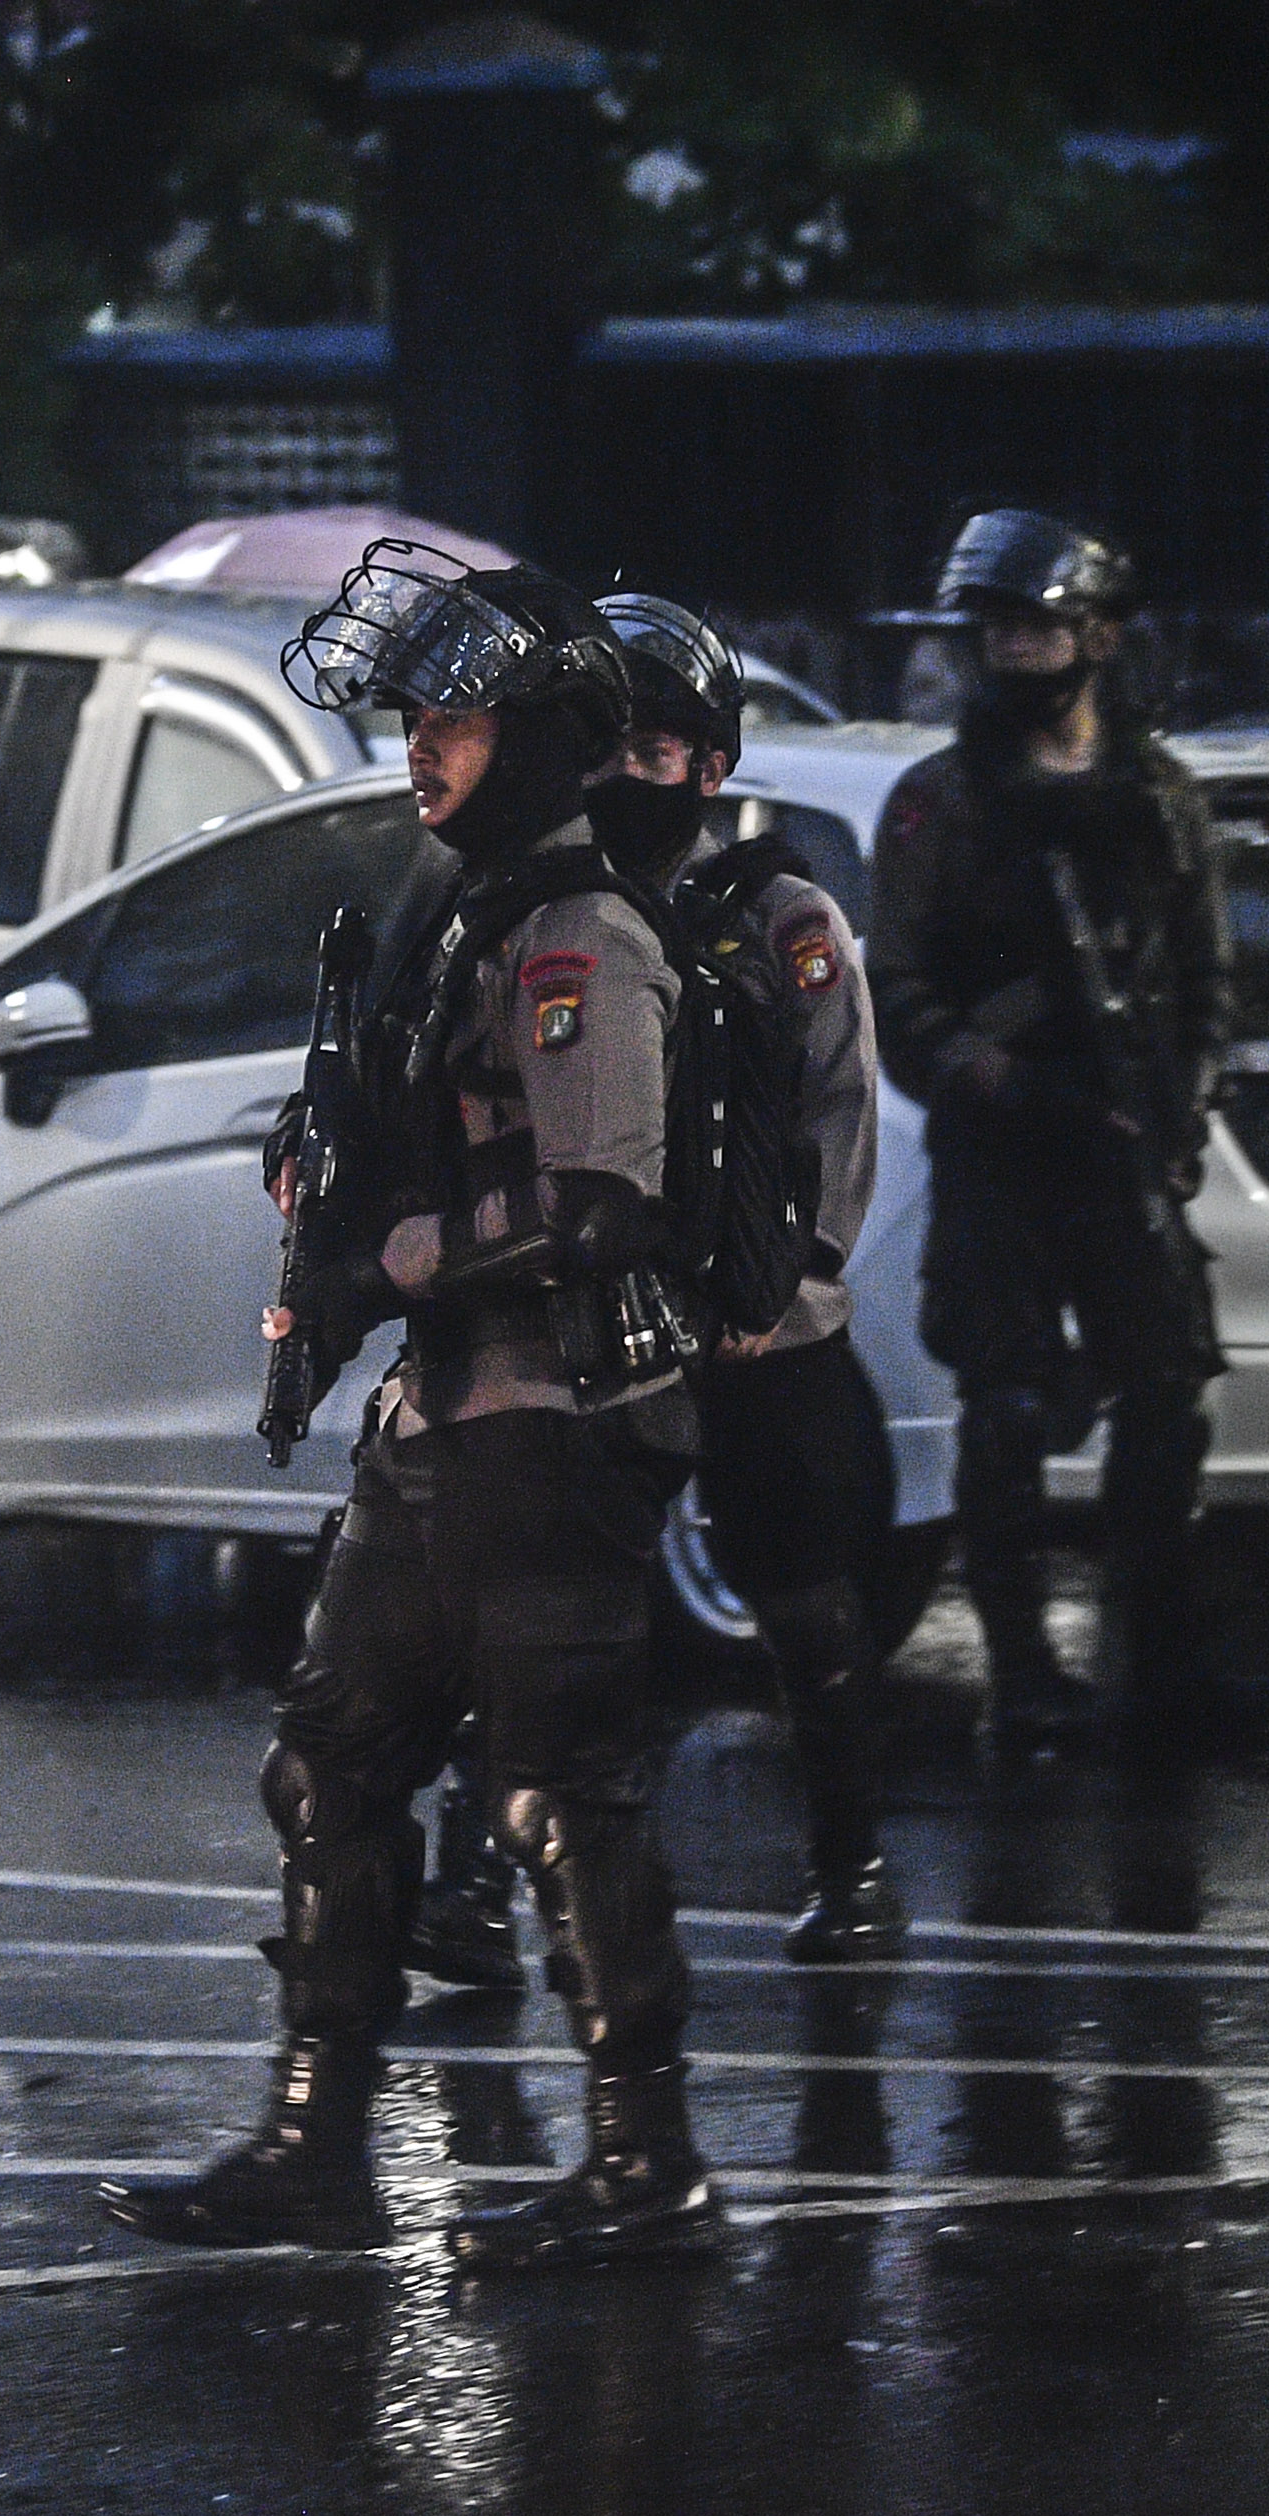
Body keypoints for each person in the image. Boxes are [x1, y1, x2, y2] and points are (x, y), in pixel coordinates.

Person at [99, 546, 723, 2271]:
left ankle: (646, 2160)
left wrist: (393, 1256)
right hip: (440, 1417)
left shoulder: (583, 934)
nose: (420, 744)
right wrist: (327, 1164)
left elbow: (599, 1206)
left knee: (556, 1794)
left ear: (543, 734)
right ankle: (316, 2140)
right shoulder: (454, 915)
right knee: (330, 1765)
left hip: (556, 1416)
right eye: (416, 714)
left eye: (455, 716)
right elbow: (407, 1133)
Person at [409, 591, 903, 1974]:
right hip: (587, 1310)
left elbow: (838, 1114)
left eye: (657, 749)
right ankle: (472, 1889)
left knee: (803, 1601)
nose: (628, 773)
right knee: (526, 1595)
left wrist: (785, 1288)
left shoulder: (780, 917)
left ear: (711, 764)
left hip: (752, 1322)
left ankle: (853, 1869)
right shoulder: (522, 907)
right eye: (606, 744)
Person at [866, 511, 1231, 1749]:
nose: (1012, 650)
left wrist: (1183, 1106)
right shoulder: (942, 801)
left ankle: (1157, 1666)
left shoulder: (1161, 797)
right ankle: (1022, 1678)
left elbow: (1205, 973)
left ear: (1099, 638)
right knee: (1007, 1409)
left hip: (1122, 1145)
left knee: (1167, 1401)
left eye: (1035, 627)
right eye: (997, 630)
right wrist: (994, 1074)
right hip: (1003, 1149)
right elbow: (898, 988)